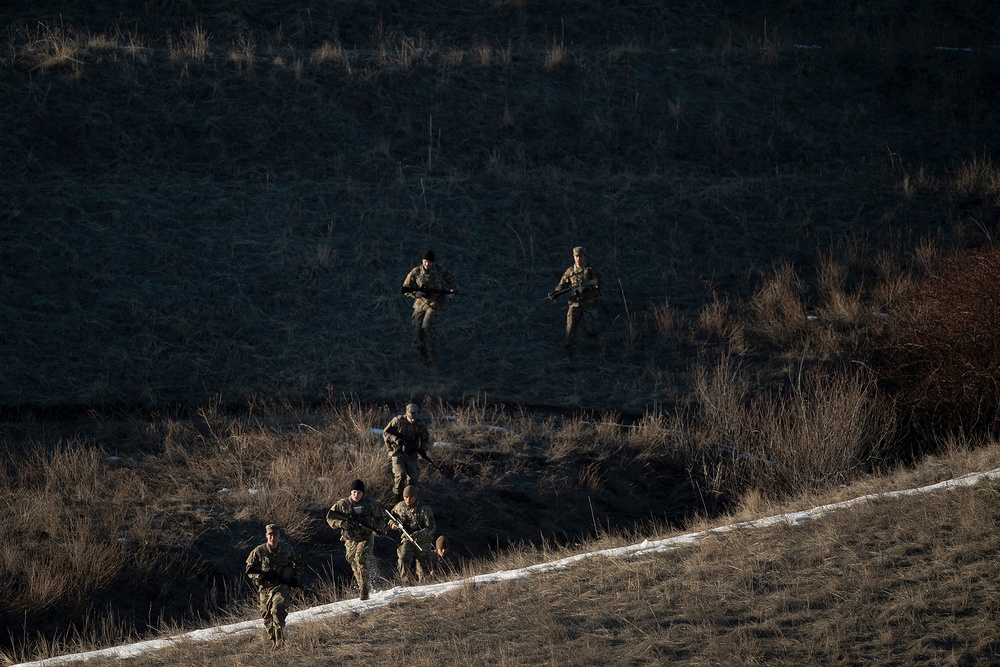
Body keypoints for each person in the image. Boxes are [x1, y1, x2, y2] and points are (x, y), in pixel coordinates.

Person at [326, 479, 386, 601]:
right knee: (352, 561)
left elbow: (380, 517)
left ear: (362, 493)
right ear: (350, 492)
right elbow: (330, 517)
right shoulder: (342, 504)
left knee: (360, 559)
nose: (356, 495)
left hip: (366, 537)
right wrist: (342, 523)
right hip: (350, 539)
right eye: (354, 492)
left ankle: (364, 589)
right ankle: (361, 584)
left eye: (359, 492)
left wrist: (376, 528)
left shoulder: (369, 504)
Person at [245, 523, 301, 647]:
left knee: (277, 610)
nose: (272, 538)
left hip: (282, 586)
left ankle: (279, 641)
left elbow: (298, 563)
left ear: (279, 536)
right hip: (265, 588)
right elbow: (249, 569)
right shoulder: (259, 551)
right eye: (270, 535)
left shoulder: (287, 549)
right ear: (266, 535)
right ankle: (274, 639)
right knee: (266, 616)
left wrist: (294, 577)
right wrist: (260, 576)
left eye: (275, 535)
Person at [402, 249, 458, 363]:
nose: (427, 264)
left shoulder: (439, 270)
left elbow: (452, 280)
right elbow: (405, 287)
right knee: (418, 330)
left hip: (436, 301)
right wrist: (414, 293)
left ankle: (433, 356)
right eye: (425, 261)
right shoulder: (415, 272)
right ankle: (424, 356)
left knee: (427, 326)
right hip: (420, 303)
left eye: (430, 262)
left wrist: (453, 290)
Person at [552, 245, 603, 356]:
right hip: (574, 304)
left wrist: (586, 287)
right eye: (576, 256)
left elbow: (599, 284)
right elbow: (562, 286)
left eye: (580, 256)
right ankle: (569, 353)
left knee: (591, 329)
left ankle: (597, 348)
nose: (578, 258)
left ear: (585, 257)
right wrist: (556, 293)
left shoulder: (590, 270)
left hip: (589, 304)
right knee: (570, 330)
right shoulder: (570, 271)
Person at [388, 485, 436, 585]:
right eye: (405, 497)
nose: (408, 500)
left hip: (423, 541)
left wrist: (418, 534)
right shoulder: (400, 507)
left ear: (415, 497)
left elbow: (431, 528)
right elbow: (390, 516)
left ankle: (423, 587)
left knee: (423, 568)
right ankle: (405, 584)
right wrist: (392, 524)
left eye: (410, 497)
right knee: (403, 558)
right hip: (407, 538)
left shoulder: (424, 509)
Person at [383, 403, 431, 500]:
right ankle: (397, 497)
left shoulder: (420, 425)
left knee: (414, 478)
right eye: (411, 417)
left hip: (411, 454)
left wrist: (422, 449)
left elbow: (426, 439)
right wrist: (397, 440)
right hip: (398, 453)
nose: (413, 419)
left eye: (415, 417)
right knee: (401, 475)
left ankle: (409, 497)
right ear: (406, 413)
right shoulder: (398, 421)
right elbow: (386, 433)